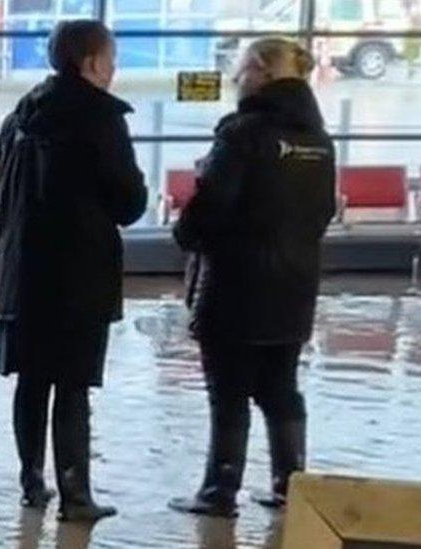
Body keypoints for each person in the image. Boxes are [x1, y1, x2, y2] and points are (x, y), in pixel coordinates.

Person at [169, 37, 336, 518]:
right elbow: (322, 211)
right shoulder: (318, 141)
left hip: (236, 285)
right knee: (281, 386)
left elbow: (212, 207)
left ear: (261, 71)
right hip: (295, 283)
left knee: (228, 390)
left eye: (241, 69)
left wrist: (186, 232)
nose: (236, 78)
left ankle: (219, 490)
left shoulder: (242, 134)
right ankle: (291, 483)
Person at [0, 20, 147, 523]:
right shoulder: (100, 119)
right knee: (73, 385)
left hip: (21, 271)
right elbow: (128, 202)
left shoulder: (20, 115)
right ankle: (76, 495)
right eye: (112, 58)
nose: (115, 68)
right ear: (92, 63)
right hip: (78, 274)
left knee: (32, 381)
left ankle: (31, 485)